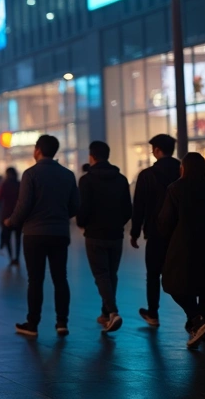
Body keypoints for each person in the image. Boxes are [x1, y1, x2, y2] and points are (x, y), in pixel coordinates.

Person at [6, 134, 79, 337]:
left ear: (37, 150)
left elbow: (23, 206)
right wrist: (61, 216)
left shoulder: (30, 174)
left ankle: (33, 324)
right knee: (60, 279)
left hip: (34, 234)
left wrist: (11, 221)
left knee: (35, 280)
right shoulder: (68, 175)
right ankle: (62, 322)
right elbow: (75, 205)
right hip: (59, 233)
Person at [157, 153, 205, 348]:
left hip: (184, 245)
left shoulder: (176, 188)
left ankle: (197, 320)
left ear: (184, 168)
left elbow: (165, 221)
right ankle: (200, 325)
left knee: (173, 284)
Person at [76, 141, 133, 333]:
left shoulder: (86, 180)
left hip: (94, 234)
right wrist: (119, 223)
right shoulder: (121, 179)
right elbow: (128, 209)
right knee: (110, 274)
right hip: (116, 234)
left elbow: (83, 207)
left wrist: (82, 222)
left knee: (101, 274)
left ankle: (113, 312)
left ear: (92, 157)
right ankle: (106, 313)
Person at [130, 134, 181, 327]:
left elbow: (139, 207)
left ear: (158, 150)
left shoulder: (147, 175)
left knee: (153, 274)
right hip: (180, 232)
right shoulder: (183, 171)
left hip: (156, 232)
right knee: (185, 271)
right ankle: (195, 316)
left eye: (153, 149)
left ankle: (153, 313)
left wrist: (135, 232)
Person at [0, 167, 22, 267]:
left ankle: (11, 258)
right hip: (18, 214)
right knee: (18, 238)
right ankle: (17, 258)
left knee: (7, 237)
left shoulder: (4, 184)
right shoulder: (20, 184)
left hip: (6, 215)